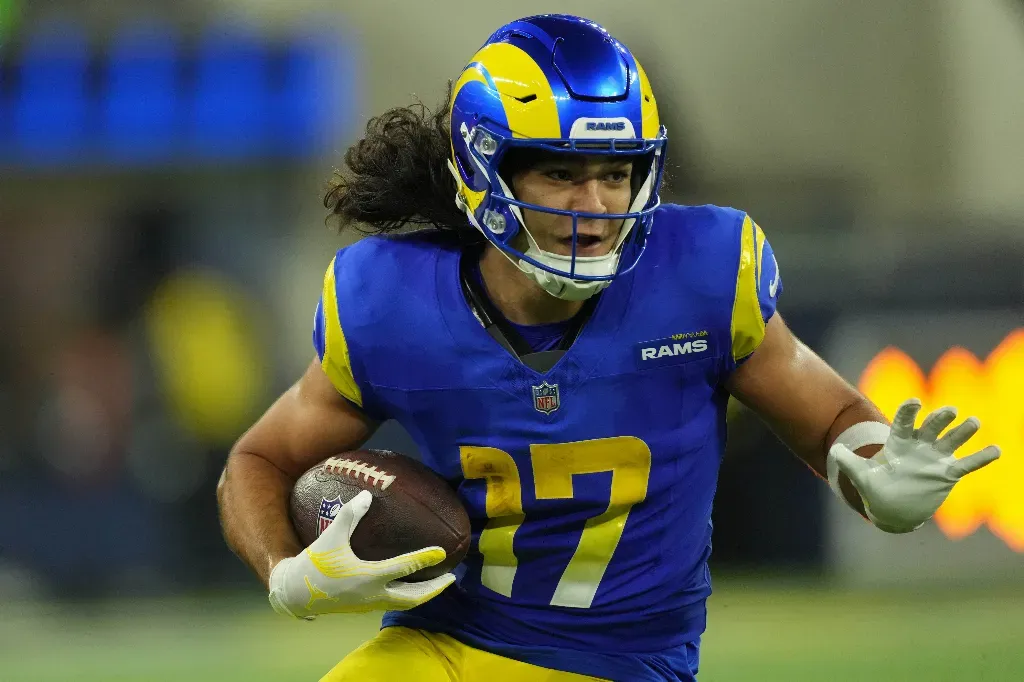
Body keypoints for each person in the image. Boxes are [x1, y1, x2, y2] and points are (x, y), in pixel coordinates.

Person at [216, 14, 1001, 682]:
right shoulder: (391, 302)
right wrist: (290, 576)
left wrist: (874, 472)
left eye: (616, 175)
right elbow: (256, 462)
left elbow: (829, 420)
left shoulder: (700, 276)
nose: (596, 207)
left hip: (627, 667)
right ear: (486, 170)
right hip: (448, 648)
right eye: (560, 174)